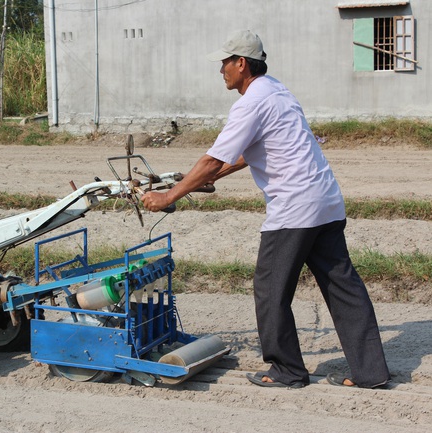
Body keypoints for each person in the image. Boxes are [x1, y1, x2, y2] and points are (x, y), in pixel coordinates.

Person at [141, 30, 390, 389]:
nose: (221, 70)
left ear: (241, 64)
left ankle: (287, 370)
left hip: (295, 210)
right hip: (326, 201)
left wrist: (169, 196)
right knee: (343, 288)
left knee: (270, 289)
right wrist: (209, 179)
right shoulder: (276, 90)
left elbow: (212, 159)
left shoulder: (251, 101)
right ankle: (371, 373)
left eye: (225, 62)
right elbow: (246, 152)